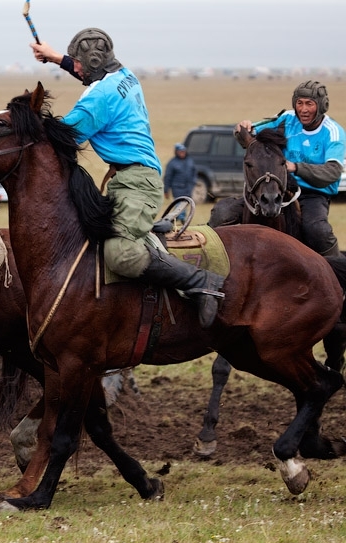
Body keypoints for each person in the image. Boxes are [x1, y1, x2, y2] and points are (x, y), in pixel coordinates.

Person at [30, 28, 224, 327]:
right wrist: (57, 58)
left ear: (94, 62)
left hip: (137, 183)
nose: (76, 67)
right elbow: (89, 74)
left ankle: (201, 283)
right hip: (130, 176)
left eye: (78, 63)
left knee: (120, 254)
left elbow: (63, 136)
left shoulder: (99, 98)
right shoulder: (124, 74)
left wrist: (25, 123)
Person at [236, 81, 344, 257]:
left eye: (309, 104)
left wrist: (296, 167)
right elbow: (252, 134)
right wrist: (242, 128)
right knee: (223, 213)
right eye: (299, 103)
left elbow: (332, 172)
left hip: (313, 193)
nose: (303, 109)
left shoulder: (333, 132)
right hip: (280, 186)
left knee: (317, 230)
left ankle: (335, 270)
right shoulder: (287, 119)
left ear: (322, 105)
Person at [163, 142, 197, 221]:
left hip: (188, 188)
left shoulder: (190, 161)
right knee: (179, 204)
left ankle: (179, 218)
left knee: (185, 204)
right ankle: (181, 219)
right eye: (180, 152)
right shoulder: (172, 163)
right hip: (177, 188)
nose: (182, 153)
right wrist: (166, 190)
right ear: (177, 152)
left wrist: (194, 182)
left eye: (183, 151)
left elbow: (194, 172)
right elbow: (168, 177)